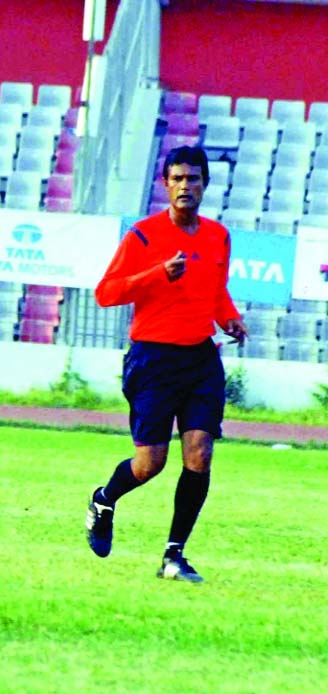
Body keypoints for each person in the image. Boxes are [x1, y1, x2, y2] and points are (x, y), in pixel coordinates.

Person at [85, 145, 248, 583]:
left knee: (200, 454)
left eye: (192, 179)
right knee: (149, 464)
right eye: (176, 179)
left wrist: (228, 318)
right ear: (164, 185)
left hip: (200, 357)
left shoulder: (217, 237)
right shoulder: (142, 235)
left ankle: (174, 556)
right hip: (152, 359)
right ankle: (103, 500)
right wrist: (157, 274)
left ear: (205, 184)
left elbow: (215, 292)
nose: (184, 186)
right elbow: (106, 292)